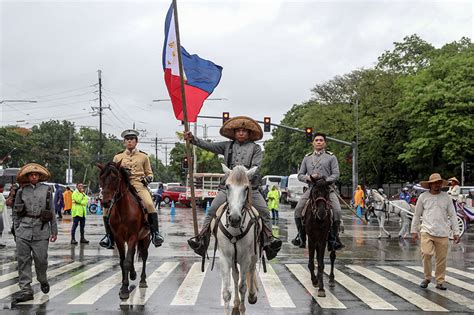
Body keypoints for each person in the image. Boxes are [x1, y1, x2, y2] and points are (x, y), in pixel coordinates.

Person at [185, 116, 282, 260]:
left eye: (244, 131)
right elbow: (208, 146)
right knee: (212, 210)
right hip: (228, 187)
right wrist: (193, 139)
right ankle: (202, 240)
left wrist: (246, 173)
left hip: (249, 187)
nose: (241, 133)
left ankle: (269, 241)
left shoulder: (256, 148)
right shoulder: (227, 146)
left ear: (249, 133)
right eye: (238, 131)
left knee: (264, 211)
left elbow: (257, 166)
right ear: (234, 133)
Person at [100, 129, 164, 249]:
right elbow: (112, 174)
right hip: (122, 187)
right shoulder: (117, 157)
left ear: (136, 141)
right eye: (127, 140)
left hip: (139, 185)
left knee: (150, 204)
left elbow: (150, 173)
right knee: (106, 209)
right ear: (124, 142)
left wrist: (147, 180)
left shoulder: (144, 157)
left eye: (132, 139)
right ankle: (108, 236)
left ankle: (155, 234)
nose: (129, 142)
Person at [12, 163, 57, 302]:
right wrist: (16, 228)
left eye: (36, 175)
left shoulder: (47, 190)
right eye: (31, 175)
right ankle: (26, 289)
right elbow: (15, 212)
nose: (33, 176)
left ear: (39, 177)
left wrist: (54, 230)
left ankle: (42, 279)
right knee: (23, 261)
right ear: (27, 177)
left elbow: (52, 212)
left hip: (41, 230)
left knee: (41, 260)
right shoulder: (21, 191)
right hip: (23, 231)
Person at [292, 132, 344, 251]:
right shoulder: (307, 157)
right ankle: (301, 237)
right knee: (298, 210)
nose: (319, 142)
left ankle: (333, 239)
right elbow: (300, 175)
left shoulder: (331, 157)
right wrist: (309, 178)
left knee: (337, 211)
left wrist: (325, 180)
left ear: (325, 143)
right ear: (313, 143)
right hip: (312, 189)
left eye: (321, 140)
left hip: (328, 189)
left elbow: (336, 174)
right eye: (316, 140)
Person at [411, 173, 460, 290]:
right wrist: (414, 230)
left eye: (439, 183)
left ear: (441, 184)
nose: (437, 185)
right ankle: (427, 278)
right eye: (434, 183)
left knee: (441, 258)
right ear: (430, 185)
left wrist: (456, 232)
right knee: (426, 254)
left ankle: (440, 281)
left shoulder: (446, 197)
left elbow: (453, 215)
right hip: (426, 230)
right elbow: (417, 215)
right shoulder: (423, 197)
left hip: (443, 232)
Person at [0, 184, 6, 248]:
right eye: (2, 188)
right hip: (0, 213)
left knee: (1, 228)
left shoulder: (1, 194)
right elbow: (3, 203)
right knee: (0, 228)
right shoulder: (0, 195)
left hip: (1, 213)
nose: (3, 189)